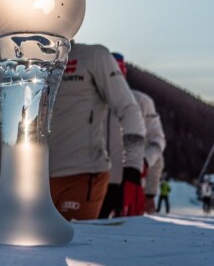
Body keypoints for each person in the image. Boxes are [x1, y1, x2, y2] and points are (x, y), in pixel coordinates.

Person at [48, 43, 146, 221]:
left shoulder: (92, 56)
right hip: (34, 179)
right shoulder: (26, 60)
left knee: (73, 238)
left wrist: (133, 170)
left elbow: (129, 110)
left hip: (83, 175)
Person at [98, 52, 165, 218]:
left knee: (125, 229)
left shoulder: (141, 101)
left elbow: (157, 141)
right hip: (95, 181)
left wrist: (143, 162)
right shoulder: (91, 103)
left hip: (128, 180)